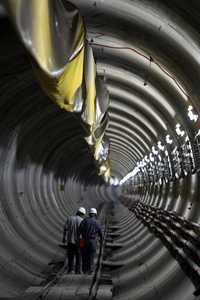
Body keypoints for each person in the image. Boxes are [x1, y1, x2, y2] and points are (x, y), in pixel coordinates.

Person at [62, 207, 86, 274]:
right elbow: (83, 234)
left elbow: (65, 229)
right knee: (79, 257)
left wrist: (64, 238)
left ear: (77, 212)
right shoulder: (82, 221)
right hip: (78, 243)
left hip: (70, 241)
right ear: (82, 214)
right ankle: (77, 270)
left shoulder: (69, 218)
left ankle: (70, 270)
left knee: (70, 256)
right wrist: (82, 244)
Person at [79, 208, 102, 274]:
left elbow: (79, 230)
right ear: (95, 214)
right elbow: (100, 232)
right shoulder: (96, 222)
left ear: (89, 214)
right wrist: (101, 239)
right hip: (92, 241)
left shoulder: (84, 220)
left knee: (84, 255)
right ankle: (90, 270)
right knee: (91, 256)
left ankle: (84, 270)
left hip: (84, 240)